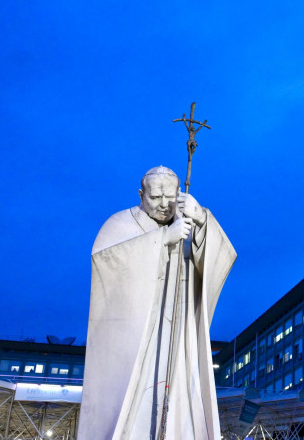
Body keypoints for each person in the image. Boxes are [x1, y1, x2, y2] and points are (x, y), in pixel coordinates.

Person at [77, 166, 236, 440]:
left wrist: (201, 220)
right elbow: (107, 264)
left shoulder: (187, 223)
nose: (164, 204)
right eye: (156, 197)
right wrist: (162, 240)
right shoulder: (120, 225)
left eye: (170, 197)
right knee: (136, 403)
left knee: (180, 402)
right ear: (141, 195)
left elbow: (221, 259)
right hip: (138, 338)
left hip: (178, 337)